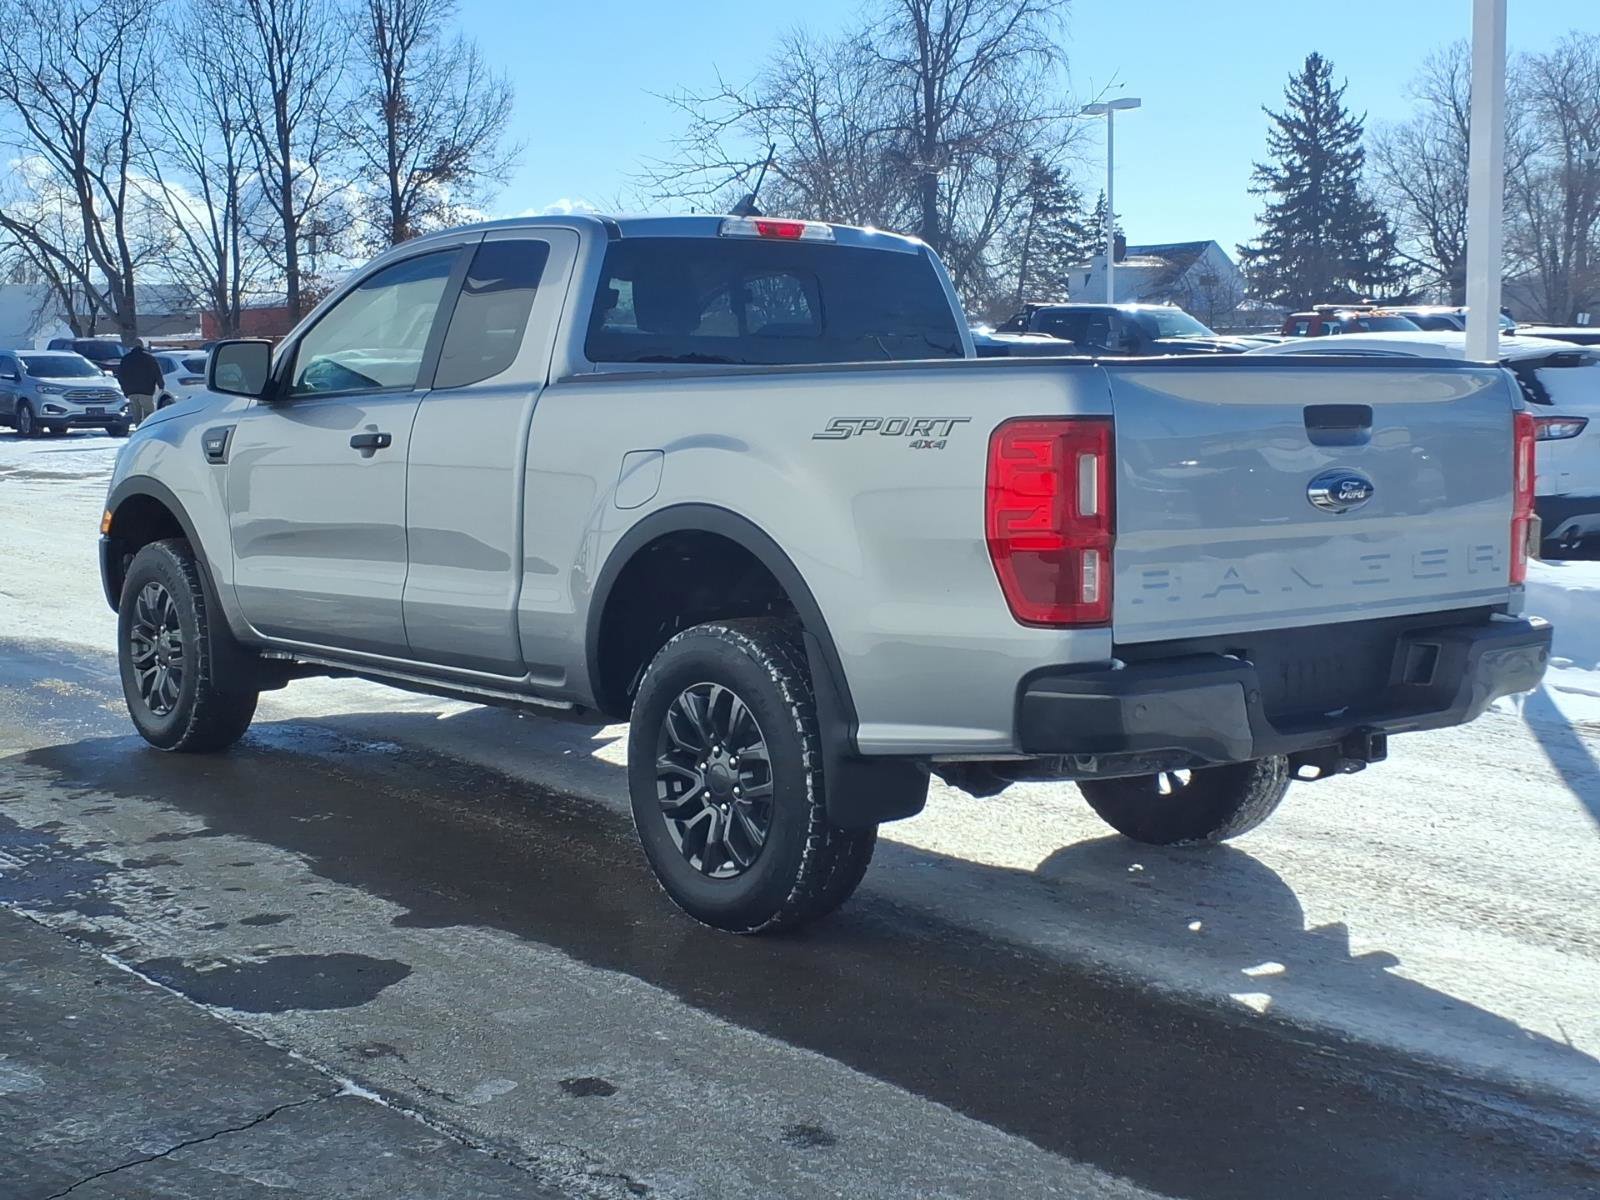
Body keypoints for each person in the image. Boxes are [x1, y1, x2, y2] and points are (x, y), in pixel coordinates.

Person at [115, 339, 164, 427]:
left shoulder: (126, 359)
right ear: (142, 346)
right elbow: (157, 372)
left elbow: (120, 375)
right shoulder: (149, 358)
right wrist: (161, 385)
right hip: (146, 391)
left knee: (136, 414)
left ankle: (138, 429)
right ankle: (147, 429)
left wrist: (125, 389)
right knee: (148, 413)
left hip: (131, 392)